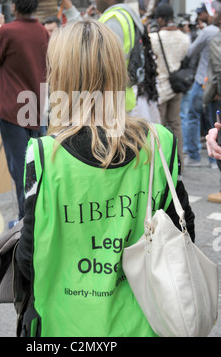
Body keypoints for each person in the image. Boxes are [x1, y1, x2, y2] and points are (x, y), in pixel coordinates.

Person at [15, 19, 195, 337]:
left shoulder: (43, 155)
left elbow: (29, 256)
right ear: (116, 72)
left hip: (63, 324)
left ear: (60, 76)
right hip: (145, 323)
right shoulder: (161, 142)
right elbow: (184, 235)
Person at [0, 0, 49, 222]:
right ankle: (36, 217)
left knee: (20, 167)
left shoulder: (7, 31)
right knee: (37, 164)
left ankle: (25, 220)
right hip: (36, 106)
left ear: (14, 6)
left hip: (12, 107)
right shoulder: (43, 32)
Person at [53, 0, 144, 113]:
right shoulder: (122, 16)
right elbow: (86, 36)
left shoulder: (113, 19)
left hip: (110, 103)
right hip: (116, 99)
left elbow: (92, 50)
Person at [149, 4, 190, 165]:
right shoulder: (185, 38)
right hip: (176, 87)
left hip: (160, 88)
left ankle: (161, 162)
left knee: (158, 126)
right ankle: (179, 161)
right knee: (176, 124)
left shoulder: (154, 38)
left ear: (160, 19)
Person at [184, 6, 220, 167]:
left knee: (193, 116)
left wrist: (188, 34)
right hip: (212, 83)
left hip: (205, 82)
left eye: (200, 14)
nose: (199, 17)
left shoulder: (209, 32)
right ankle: (214, 159)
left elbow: (190, 51)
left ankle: (194, 155)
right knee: (213, 122)